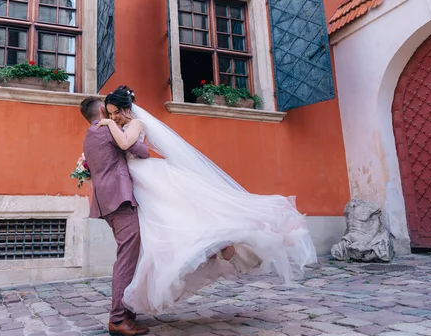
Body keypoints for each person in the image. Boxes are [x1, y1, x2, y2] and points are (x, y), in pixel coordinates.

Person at [95, 86, 317, 315]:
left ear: (126, 108)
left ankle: (222, 242)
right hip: (140, 181)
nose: (113, 117)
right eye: (110, 114)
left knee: (179, 215)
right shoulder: (123, 124)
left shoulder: (135, 124)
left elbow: (125, 144)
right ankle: (216, 246)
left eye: (116, 113)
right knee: (173, 221)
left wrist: (109, 125)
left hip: (148, 177)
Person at [79, 96, 150, 336]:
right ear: (102, 110)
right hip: (119, 200)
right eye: (109, 111)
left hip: (106, 202)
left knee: (128, 254)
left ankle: (127, 310)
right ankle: (118, 318)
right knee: (126, 258)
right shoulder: (107, 129)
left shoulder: (89, 134)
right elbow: (140, 150)